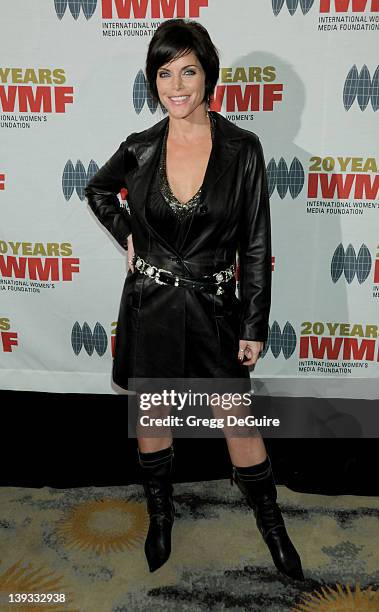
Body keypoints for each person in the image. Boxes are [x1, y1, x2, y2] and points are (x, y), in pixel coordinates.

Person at [85, 19, 304, 581]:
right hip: (151, 306)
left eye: (188, 70)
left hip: (215, 310)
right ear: (153, 80)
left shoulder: (243, 148)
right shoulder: (139, 148)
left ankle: (273, 528)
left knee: (239, 425)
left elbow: (256, 244)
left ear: (208, 74)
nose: (176, 85)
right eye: (164, 73)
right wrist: (127, 234)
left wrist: (254, 324)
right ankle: (160, 519)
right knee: (155, 418)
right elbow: (98, 190)